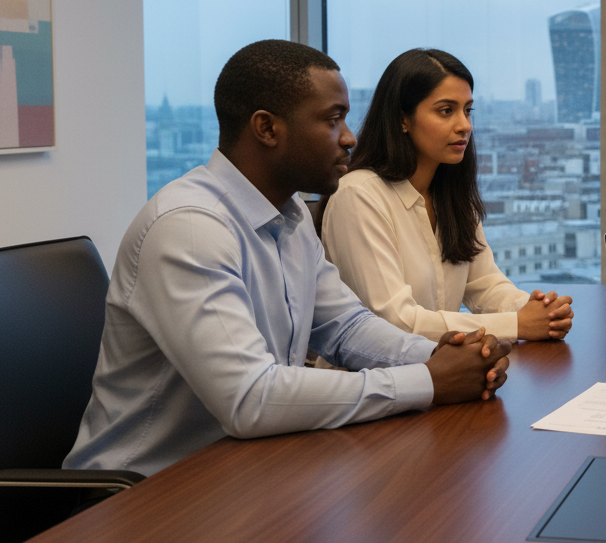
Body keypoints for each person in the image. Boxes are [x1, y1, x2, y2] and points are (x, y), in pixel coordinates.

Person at [65, 40, 511, 477]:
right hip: (144, 494)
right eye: (333, 119)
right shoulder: (191, 229)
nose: (350, 137)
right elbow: (250, 398)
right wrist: (428, 381)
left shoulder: (291, 215)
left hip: (245, 470)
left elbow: (345, 327)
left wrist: (442, 355)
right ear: (267, 128)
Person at [320, 48, 574, 344]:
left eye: (467, 110)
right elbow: (394, 322)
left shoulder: (451, 195)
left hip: (445, 373)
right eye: (446, 110)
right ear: (403, 119)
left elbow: (486, 285)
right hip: (372, 382)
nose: (464, 125)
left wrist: (538, 311)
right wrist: (517, 324)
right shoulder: (359, 196)